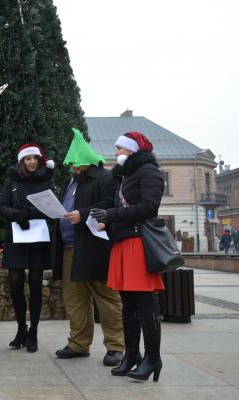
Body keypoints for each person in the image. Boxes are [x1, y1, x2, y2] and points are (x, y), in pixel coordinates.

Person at [91, 131, 165, 382]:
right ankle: (132, 355)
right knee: (128, 306)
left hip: (138, 244)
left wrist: (111, 215)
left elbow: (149, 208)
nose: (116, 153)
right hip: (123, 242)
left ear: (132, 151)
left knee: (145, 306)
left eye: (120, 149)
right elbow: (124, 210)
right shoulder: (127, 176)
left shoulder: (149, 172)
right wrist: (107, 223)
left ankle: (152, 358)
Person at [52, 129, 124, 365]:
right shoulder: (72, 181)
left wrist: (81, 215)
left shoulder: (106, 178)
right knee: (74, 298)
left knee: (105, 296)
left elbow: (108, 205)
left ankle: (115, 346)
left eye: (75, 164)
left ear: (85, 161)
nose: (72, 168)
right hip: (69, 247)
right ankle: (78, 344)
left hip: (93, 247)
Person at [0, 144, 55, 353]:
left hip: (38, 236)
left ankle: (34, 332)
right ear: (22, 161)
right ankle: (21, 328)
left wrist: (29, 214)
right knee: (15, 282)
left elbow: (52, 209)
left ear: (40, 160)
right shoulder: (12, 180)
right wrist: (16, 215)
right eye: (27, 159)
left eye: (35, 159)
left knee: (35, 283)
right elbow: (2, 206)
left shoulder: (47, 180)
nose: (32, 162)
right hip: (16, 235)